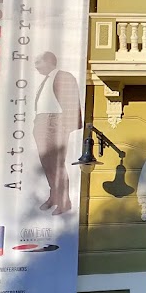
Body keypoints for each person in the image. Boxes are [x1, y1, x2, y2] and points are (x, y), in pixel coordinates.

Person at [33, 51, 82, 216]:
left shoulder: (63, 76)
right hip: (42, 122)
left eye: (38, 62)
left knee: (57, 163)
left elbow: (71, 100)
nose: (36, 66)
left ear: (48, 62)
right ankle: (54, 195)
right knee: (46, 163)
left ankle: (64, 201)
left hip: (55, 122)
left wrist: (67, 126)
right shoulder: (45, 80)